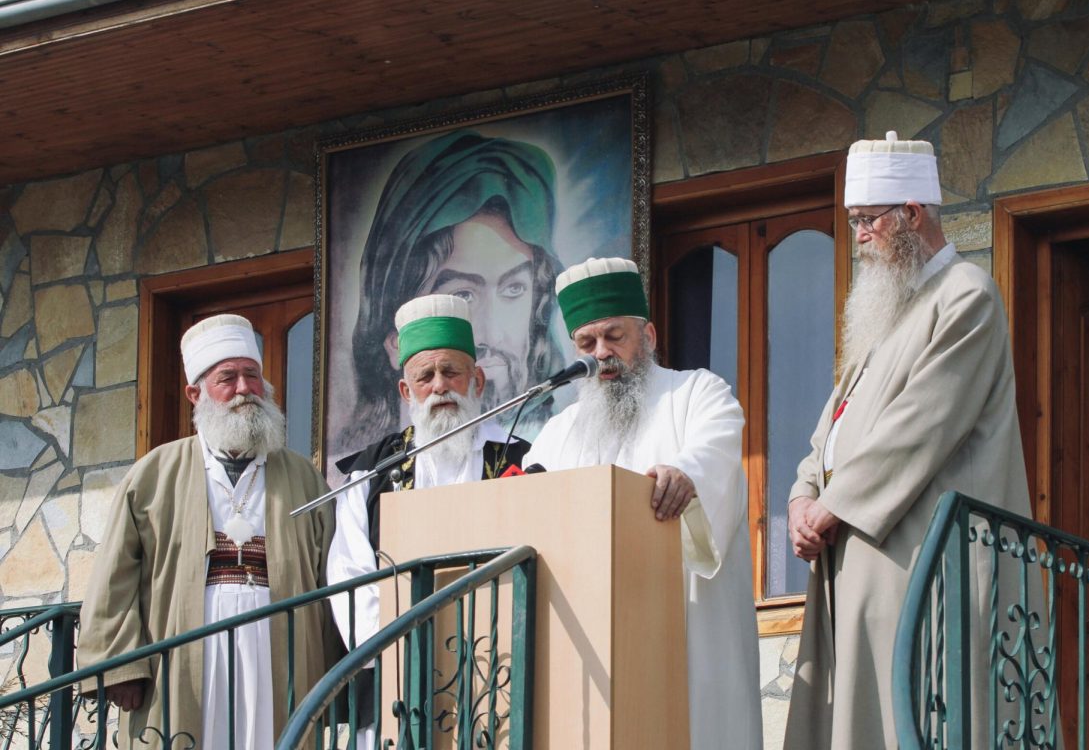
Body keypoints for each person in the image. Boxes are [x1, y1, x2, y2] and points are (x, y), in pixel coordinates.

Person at [783, 131, 1035, 748]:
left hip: (924, 561)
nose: (859, 237)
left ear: (912, 215)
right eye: (853, 223)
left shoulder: (967, 296)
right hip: (857, 561)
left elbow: (919, 427)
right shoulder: (885, 316)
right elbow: (829, 431)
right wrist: (800, 495)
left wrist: (831, 506)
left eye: (867, 221)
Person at [524, 257, 763, 750]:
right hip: (590, 650)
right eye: (587, 343)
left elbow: (712, 450)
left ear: (648, 336)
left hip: (684, 638)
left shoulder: (697, 392)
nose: (601, 353)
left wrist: (685, 474)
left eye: (615, 336)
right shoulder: (557, 433)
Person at [77, 314, 335, 749]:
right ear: (195, 394)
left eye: (252, 376)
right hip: (184, 655)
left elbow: (335, 570)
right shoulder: (154, 473)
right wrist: (120, 664)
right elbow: (114, 576)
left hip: (279, 649)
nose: (243, 390)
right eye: (227, 378)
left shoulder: (304, 478)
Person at [326, 293, 531, 742]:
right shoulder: (370, 472)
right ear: (406, 390)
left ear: (476, 380)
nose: (439, 386)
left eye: (451, 372)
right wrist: (407, 646)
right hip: (398, 673)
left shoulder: (521, 460)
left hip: (496, 670)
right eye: (425, 375)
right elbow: (349, 576)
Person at [341, 129, 566, 458]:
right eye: (463, 295)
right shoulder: (367, 476)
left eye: (514, 289)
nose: (491, 333)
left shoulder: (554, 453)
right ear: (395, 343)